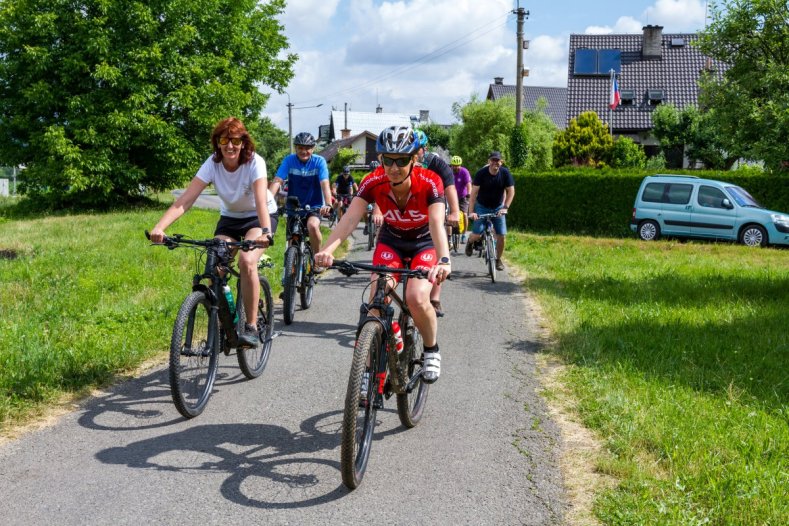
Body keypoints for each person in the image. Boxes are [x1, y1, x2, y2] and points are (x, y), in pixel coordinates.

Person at [315, 125, 450, 384]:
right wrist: (327, 250)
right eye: (388, 160)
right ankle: (367, 374)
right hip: (392, 242)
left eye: (401, 160)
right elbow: (350, 218)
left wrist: (444, 259)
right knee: (377, 299)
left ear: (414, 159)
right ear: (380, 159)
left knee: (416, 296)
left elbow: (436, 224)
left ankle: (431, 350)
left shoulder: (430, 182)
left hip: (424, 244)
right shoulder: (373, 181)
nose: (394, 167)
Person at [149, 117, 273, 347]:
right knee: (215, 264)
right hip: (230, 219)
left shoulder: (255, 162)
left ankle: (252, 327)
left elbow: (260, 202)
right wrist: (160, 227)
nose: (230, 146)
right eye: (224, 140)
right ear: (217, 142)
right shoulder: (212, 164)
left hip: (258, 217)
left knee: (247, 261)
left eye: (235, 140)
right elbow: (184, 200)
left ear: (243, 142)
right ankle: (225, 320)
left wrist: (265, 233)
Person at [269, 132, 333, 270]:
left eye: (307, 148)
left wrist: (328, 203)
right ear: (296, 148)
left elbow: (325, 183)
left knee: (312, 226)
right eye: (300, 148)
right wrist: (267, 201)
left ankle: (317, 259)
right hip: (294, 206)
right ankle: (289, 280)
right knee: (292, 240)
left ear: (313, 148)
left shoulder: (319, 161)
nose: (304, 151)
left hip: (314, 206)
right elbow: (277, 180)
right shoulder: (289, 160)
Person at [414, 129, 459, 318]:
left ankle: (435, 298)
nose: (414, 153)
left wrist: (455, 211)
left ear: (424, 148)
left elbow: (449, 186)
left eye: (417, 149)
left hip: (436, 206)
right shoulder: (404, 161)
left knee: (440, 251)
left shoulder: (436, 163)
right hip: (413, 209)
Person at [465, 151, 515, 271]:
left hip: (498, 207)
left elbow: (511, 191)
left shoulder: (505, 173)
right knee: (476, 234)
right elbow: (473, 195)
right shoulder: (481, 173)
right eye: (492, 160)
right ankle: (470, 242)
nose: (495, 163)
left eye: (497, 160)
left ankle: (498, 260)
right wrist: (471, 212)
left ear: (501, 162)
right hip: (482, 206)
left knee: (501, 235)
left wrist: (505, 207)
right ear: (489, 162)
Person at [450, 155, 472, 243]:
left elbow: (468, 184)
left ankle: (464, 234)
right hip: (452, 196)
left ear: (460, 165)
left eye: (457, 165)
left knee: (465, 214)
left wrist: (469, 193)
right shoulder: (449, 172)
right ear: (451, 165)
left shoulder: (464, 172)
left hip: (463, 196)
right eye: (454, 165)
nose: (456, 167)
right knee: (449, 214)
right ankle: (450, 234)